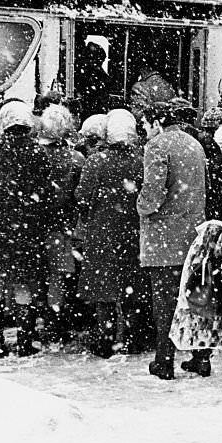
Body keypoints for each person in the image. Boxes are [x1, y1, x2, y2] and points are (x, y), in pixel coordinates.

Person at [0, 99, 53, 357]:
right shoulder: (37, 152)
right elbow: (45, 194)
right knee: (23, 284)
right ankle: (25, 341)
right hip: (26, 231)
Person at [136, 101, 207, 380]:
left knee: (164, 302)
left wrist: (140, 205)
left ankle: (164, 360)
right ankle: (200, 356)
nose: (145, 130)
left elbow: (153, 194)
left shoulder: (157, 146)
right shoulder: (195, 145)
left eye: (146, 125)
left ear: (157, 122)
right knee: (193, 299)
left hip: (165, 238)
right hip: (193, 234)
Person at [75, 109, 145, 358]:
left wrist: (89, 216)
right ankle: (131, 340)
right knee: (130, 288)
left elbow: (82, 196)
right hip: (133, 231)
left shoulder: (97, 161)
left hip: (101, 232)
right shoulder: (141, 160)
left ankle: (105, 342)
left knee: (103, 290)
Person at [37, 104, 85, 344]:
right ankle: (55, 324)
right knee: (57, 277)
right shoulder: (75, 159)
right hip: (62, 224)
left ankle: (32, 320)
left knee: (35, 275)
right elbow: (79, 195)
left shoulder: (33, 155)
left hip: (33, 225)